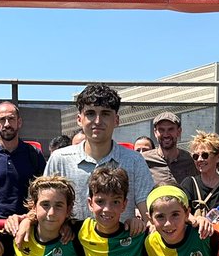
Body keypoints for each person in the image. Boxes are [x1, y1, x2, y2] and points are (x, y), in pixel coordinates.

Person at [45, 83, 154, 225]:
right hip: (71, 244)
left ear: (116, 120)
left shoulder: (134, 161)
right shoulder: (59, 160)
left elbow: (148, 214)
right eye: (90, 113)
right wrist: (26, 221)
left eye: (105, 114)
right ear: (79, 119)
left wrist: (143, 224)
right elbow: (44, 206)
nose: (97, 121)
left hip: (120, 245)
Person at [0, 101, 46, 219]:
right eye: (2, 119)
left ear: (19, 122)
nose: (7, 124)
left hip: (26, 223)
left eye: (11, 119)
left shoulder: (34, 154)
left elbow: (44, 192)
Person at [179, 131, 219, 223]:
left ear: (218, 157)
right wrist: (197, 222)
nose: (199, 160)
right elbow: (182, 210)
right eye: (195, 156)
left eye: (205, 155)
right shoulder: (189, 183)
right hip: (195, 234)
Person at [143, 110, 195, 187]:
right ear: (155, 133)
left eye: (170, 129)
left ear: (179, 131)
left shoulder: (191, 161)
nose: (166, 134)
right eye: (161, 130)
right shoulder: (144, 161)